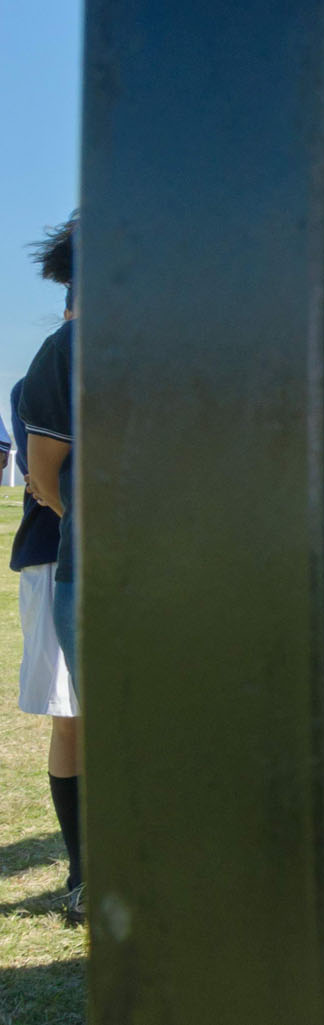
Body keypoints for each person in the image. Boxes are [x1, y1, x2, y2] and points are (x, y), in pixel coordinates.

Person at [12, 216, 82, 924]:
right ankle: (84, 870)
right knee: (73, 718)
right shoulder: (56, 351)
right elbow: (43, 480)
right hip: (56, 557)